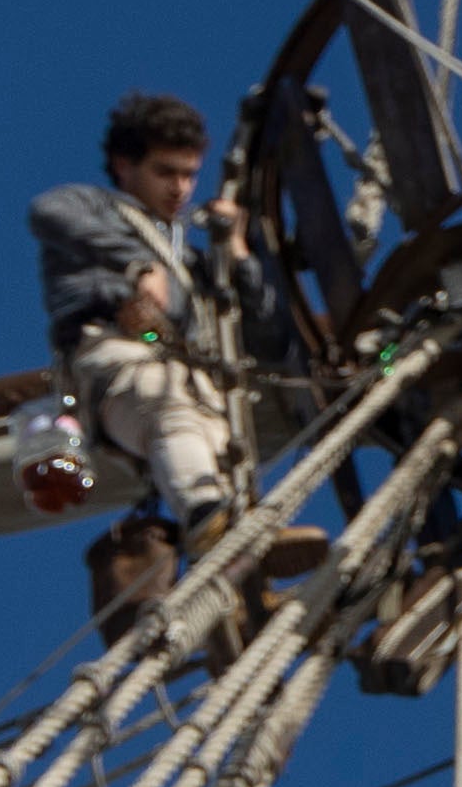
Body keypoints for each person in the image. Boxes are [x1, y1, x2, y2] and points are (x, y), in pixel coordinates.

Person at [31, 90, 316, 616]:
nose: (180, 189)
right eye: (166, 173)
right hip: (119, 364)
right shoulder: (93, 210)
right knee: (170, 407)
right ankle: (211, 521)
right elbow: (47, 212)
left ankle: (241, 579)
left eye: (189, 175)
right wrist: (135, 267)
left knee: (218, 442)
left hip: (196, 380)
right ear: (124, 165)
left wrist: (238, 254)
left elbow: (269, 342)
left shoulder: (188, 258)